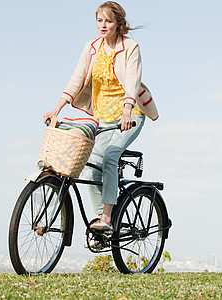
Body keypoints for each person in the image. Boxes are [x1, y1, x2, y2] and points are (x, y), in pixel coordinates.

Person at [43, 1, 158, 231]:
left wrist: (127, 110)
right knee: (92, 164)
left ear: (118, 24)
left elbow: (133, 81)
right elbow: (76, 79)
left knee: (110, 156)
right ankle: (102, 220)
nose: (103, 25)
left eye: (108, 21)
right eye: (99, 20)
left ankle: (106, 217)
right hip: (102, 116)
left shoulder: (130, 47)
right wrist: (57, 109)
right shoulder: (91, 47)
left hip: (130, 114)